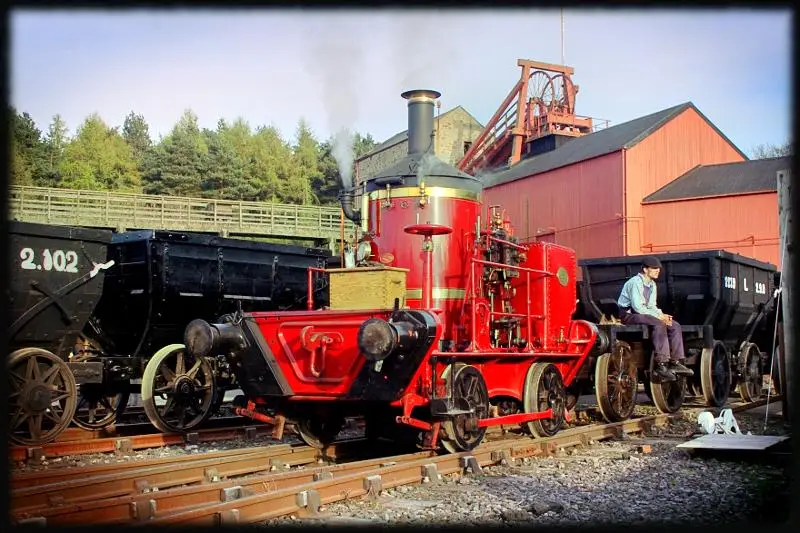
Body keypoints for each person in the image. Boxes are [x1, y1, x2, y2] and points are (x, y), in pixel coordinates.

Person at [617, 256, 694, 383]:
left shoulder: (652, 284)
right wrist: (659, 318)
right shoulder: (635, 282)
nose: (658, 270)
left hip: (644, 314)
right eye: (654, 268)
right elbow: (638, 308)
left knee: (674, 325)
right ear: (645, 269)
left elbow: (652, 306)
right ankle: (661, 364)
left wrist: (663, 315)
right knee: (658, 323)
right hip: (629, 315)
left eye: (658, 268)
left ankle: (676, 361)